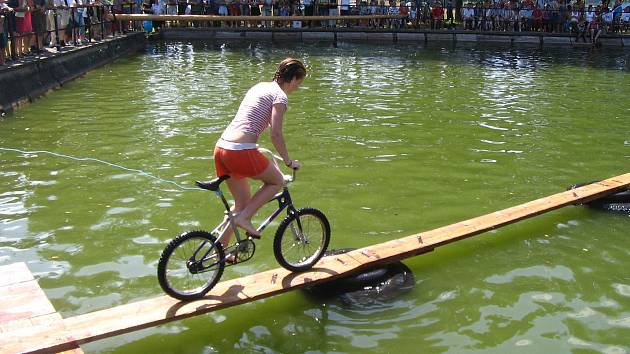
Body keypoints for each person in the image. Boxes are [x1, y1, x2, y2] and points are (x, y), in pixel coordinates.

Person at [212, 58, 306, 247]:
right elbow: (276, 134)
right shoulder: (280, 97)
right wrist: (288, 162)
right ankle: (245, 219)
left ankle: (220, 249)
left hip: (221, 148)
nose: (297, 88)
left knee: (241, 204)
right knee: (277, 181)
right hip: (239, 151)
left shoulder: (260, 87)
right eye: (299, 83)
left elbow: (256, 119)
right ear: (294, 78)